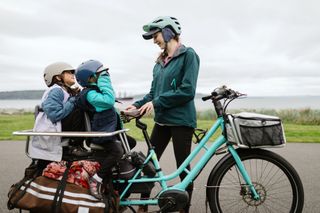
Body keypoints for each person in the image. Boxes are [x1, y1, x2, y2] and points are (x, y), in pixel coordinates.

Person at [126, 16, 200, 213]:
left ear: (168, 32)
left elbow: (187, 91)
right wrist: (135, 106)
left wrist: (156, 102)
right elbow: (153, 93)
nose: (154, 41)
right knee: (149, 164)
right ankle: (143, 206)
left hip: (182, 121)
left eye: (156, 35)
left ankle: (185, 208)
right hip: (163, 121)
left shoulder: (188, 55)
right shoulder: (159, 63)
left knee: (183, 167)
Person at [75, 59, 124, 199]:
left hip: (106, 130)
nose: (105, 75)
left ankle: (109, 172)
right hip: (100, 134)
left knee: (130, 143)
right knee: (117, 151)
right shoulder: (90, 94)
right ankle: (97, 179)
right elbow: (109, 101)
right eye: (101, 73)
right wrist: (105, 80)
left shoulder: (94, 92)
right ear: (90, 78)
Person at [29, 62, 85, 174]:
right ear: (58, 77)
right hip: (52, 131)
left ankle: (78, 144)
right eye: (68, 72)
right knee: (78, 110)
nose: (72, 74)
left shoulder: (64, 91)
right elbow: (55, 115)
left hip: (58, 128)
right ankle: (75, 145)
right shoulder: (56, 90)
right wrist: (74, 100)